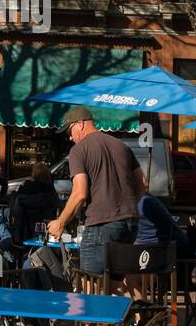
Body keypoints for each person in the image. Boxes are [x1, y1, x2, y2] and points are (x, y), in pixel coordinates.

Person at [46, 106, 142, 277]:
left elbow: (80, 193)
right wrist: (127, 206)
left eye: (70, 130)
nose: (70, 137)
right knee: (114, 284)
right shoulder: (122, 146)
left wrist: (60, 222)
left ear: (81, 124)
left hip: (101, 225)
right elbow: (143, 183)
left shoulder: (79, 150)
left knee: (91, 286)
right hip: (129, 224)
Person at [9, 162, 61, 245]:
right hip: (46, 226)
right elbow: (57, 205)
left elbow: (18, 205)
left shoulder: (25, 187)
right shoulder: (49, 188)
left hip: (26, 226)